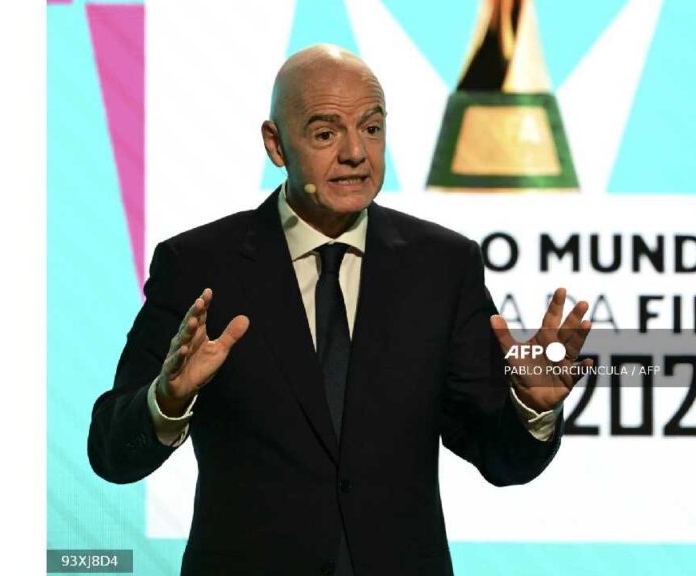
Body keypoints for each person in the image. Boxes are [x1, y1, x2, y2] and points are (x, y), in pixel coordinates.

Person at [88, 44, 593, 576]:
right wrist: (166, 401)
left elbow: (501, 457)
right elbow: (110, 452)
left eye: (371, 128)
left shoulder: (443, 267)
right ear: (276, 144)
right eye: (326, 133)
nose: (355, 152)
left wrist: (530, 409)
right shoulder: (198, 266)